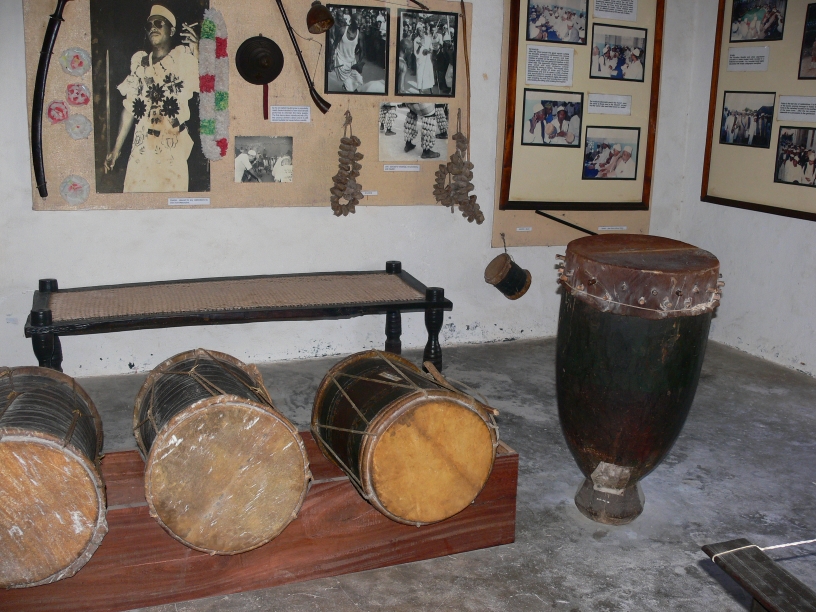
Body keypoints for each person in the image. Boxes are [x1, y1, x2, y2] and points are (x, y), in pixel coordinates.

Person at [105, 5, 199, 192]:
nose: (153, 28)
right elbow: (129, 109)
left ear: (172, 30)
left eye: (159, 23)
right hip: (142, 149)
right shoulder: (139, 64)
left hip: (172, 146)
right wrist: (116, 150)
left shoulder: (182, 59)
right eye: (149, 25)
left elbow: (202, 85)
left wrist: (196, 51)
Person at [332, 12, 365, 92]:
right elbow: (334, 45)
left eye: (360, 20)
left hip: (352, 61)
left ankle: (345, 86)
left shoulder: (359, 35)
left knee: (360, 81)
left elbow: (362, 51)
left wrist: (358, 63)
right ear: (351, 21)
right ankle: (346, 87)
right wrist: (331, 60)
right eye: (357, 20)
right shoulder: (342, 30)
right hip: (341, 60)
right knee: (350, 89)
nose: (359, 22)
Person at [413, 21, 435, 93]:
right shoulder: (416, 40)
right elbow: (416, 52)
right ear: (417, 31)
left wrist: (429, 51)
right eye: (419, 31)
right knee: (420, 74)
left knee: (429, 74)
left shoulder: (428, 38)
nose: (420, 32)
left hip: (427, 59)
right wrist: (420, 47)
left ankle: (431, 90)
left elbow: (431, 48)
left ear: (423, 30)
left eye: (421, 30)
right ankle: (420, 90)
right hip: (420, 60)